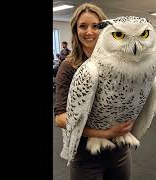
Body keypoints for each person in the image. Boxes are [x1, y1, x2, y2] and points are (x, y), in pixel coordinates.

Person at [54, 3, 133, 180]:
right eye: (83, 26)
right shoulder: (68, 67)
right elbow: (60, 119)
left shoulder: (118, 62)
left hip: (119, 152)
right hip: (86, 155)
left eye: (96, 26)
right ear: (75, 30)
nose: (89, 32)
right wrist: (105, 133)